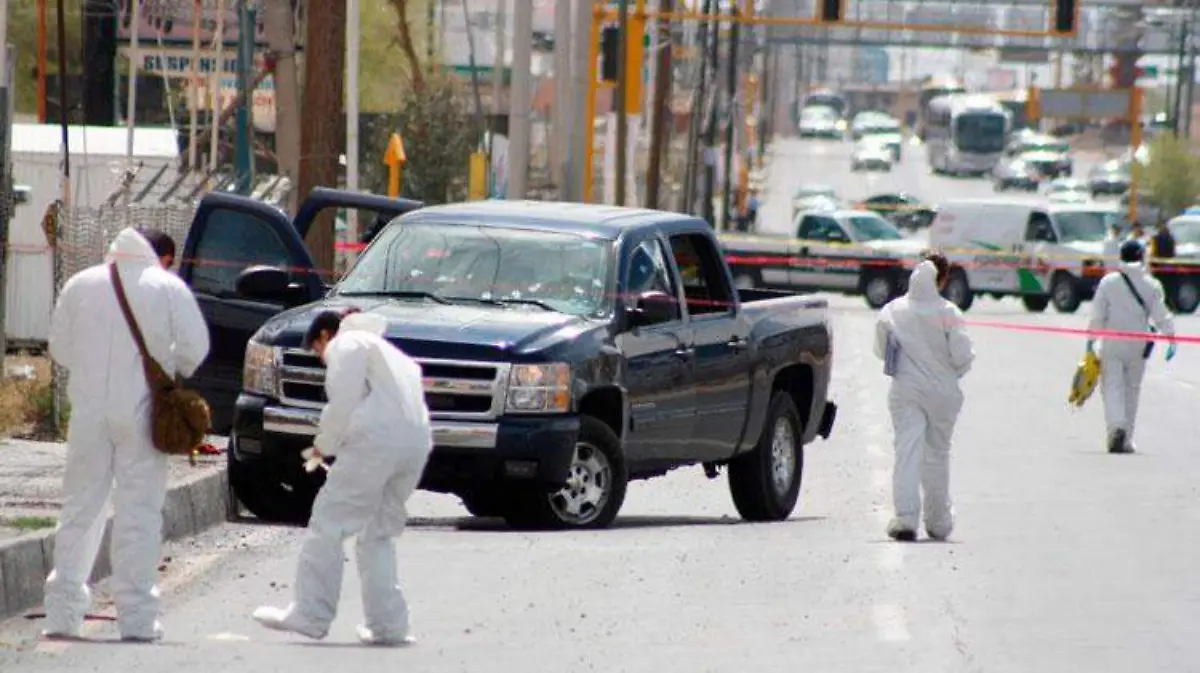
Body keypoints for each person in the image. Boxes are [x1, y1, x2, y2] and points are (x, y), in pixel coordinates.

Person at [41, 228, 209, 642]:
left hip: (89, 414)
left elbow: (59, 348)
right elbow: (196, 349)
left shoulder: (80, 284)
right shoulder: (168, 287)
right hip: (142, 414)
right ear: (155, 254)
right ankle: (136, 618)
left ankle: (62, 614)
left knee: (80, 508)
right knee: (139, 513)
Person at [252, 308, 432, 646]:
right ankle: (388, 626)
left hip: (376, 442)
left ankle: (311, 613)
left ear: (323, 336)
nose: (321, 359)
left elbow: (342, 401)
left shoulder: (346, 343)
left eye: (317, 351)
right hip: (415, 445)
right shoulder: (394, 356)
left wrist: (323, 446)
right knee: (377, 533)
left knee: (328, 522)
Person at [874, 251, 975, 542]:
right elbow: (963, 356)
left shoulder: (893, 310)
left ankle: (905, 519)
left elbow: (881, 350)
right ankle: (939, 522)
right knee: (937, 456)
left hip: (905, 391)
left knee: (907, 451)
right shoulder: (949, 313)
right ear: (942, 280)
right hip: (943, 393)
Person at [1086, 239, 1177, 454]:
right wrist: (1171, 338)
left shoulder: (1108, 282)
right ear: (1141, 257)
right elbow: (1161, 315)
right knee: (1132, 390)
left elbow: (1098, 315)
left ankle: (1116, 428)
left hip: (1112, 343)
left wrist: (1090, 341)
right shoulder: (1151, 284)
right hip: (1138, 343)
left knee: (1112, 387)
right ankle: (1126, 438)